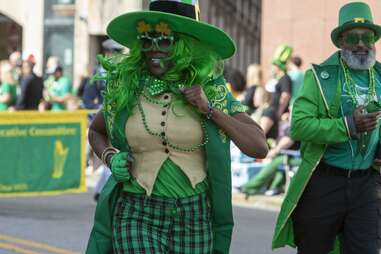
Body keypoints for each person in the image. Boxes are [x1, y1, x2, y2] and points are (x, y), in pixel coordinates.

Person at [85, 1, 268, 253]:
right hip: (137, 211)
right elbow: (96, 131)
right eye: (147, 41)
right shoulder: (126, 87)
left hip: (194, 215)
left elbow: (259, 147)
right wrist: (109, 157)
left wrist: (209, 110)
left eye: (164, 41)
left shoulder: (211, 90)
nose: (153, 49)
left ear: (185, 45)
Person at [273, 2, 381, 254]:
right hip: (324, 182)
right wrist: (347, 125)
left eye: (367, 37)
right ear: (341, 41)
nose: (361, 44)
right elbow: (298, 126)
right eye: (353, 37)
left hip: (367, 185)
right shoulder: (319, 77)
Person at [260, 44, 293, 139]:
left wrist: (278, 112)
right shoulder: (279, 78)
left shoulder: (285, 78)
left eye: (274, 65)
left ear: (278, 66)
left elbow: (285, 96)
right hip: (272, 110)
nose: (272, 68)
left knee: (262, 133)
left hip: (273, 112)